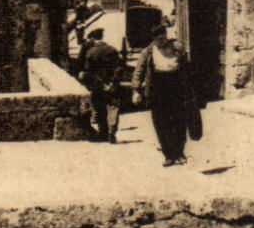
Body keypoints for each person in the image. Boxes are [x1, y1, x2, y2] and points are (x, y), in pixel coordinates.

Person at [132, 23, 199, 166]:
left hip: (177, 89)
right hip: (157, 91)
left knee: (179, 122)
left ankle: (179, 153)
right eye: (157, 38)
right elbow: (139, 71)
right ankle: (168, 155)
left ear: (166, 35)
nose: (161, 40)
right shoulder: (148, 52)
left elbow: (188, 69)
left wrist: (191, 88)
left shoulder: (177, 48)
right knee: (161, 124)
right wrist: (136, 90)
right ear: (154, 39)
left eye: (163, 36)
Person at [77, 28, 124, 143]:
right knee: (113, 107)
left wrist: (96, 83)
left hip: (98, 86)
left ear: (93, 38)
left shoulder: (91, 52)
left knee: (99, 108)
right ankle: (112, 130)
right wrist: (113, 82)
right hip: (112, 85)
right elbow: (120, 68)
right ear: (102, 37)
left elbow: (88, 71)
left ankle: (103, 132)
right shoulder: (113, 50)